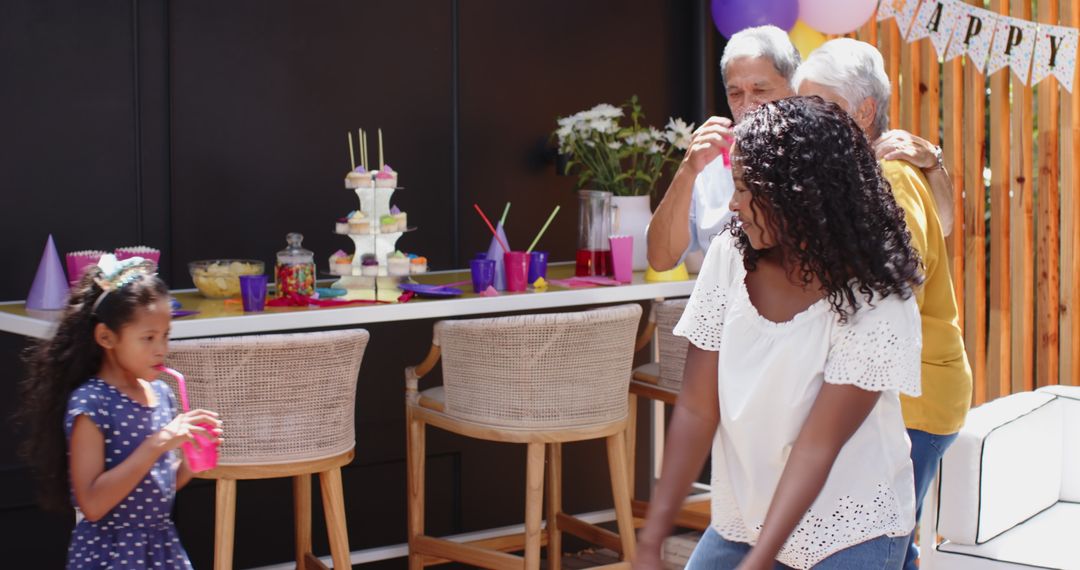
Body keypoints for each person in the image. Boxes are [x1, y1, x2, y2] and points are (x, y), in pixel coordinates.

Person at [635, 96, 924, 569]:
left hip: (846, 530)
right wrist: (653, 534)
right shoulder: (731, 254)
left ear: (800, 195)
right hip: (744, 521)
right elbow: (697, 408)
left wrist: (758, 562)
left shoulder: (877, 296)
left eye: (746, 190)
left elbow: (817, 447)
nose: (733, 204)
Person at [794, 38, 972, 570]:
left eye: (819, 105)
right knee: (892, 540)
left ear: (864, 111)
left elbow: (892, 285)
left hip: (914, 395)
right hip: (899, 390)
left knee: (884, 542)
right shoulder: (860, 176)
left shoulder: (889, 176)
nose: (806, 120)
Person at [647, 26, 954, 274]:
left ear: (795, 91)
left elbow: (934, 232)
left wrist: (934, 163)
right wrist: (687, 170)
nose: (747, 105)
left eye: (761, 90)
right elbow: (660, 259)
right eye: (735, 93)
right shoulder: (709, 161)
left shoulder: (828, 161)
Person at [15, 255, 222, 569]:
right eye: (148, 338)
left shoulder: (161, 394)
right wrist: (158, 443)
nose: (161, 349)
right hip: (111, 554)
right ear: (106, 337)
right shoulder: (92, 403)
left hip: (160, 548)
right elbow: (93, 504)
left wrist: (192, 461)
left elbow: (158, 485)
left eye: (165, 335)